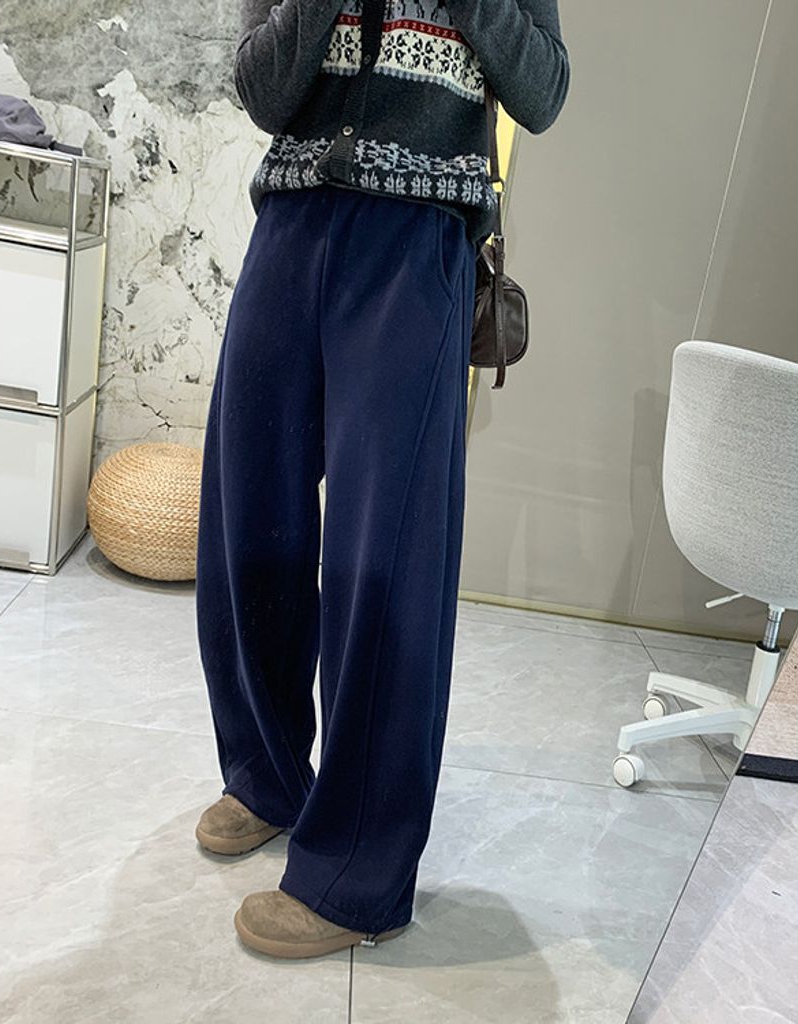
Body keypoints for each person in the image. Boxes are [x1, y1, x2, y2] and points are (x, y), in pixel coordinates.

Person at [193, 0, 569, 960]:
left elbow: (544, 90)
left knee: (387, 557)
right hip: (291, 223)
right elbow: (262, 88)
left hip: (417, 243)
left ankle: (357, 875)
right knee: (247, 517)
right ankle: (267, 775)